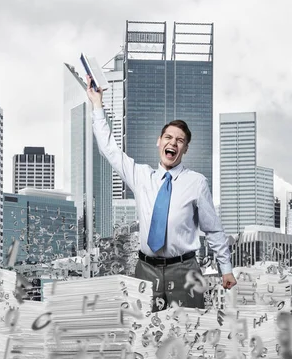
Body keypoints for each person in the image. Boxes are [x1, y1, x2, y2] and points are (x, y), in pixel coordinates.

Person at [85, 75, 237, 312]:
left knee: (189, 336)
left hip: (185, 270)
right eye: (168, 138)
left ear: (185, 149)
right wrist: (97, 104)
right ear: (159, 142)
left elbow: (213, 229)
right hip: (145, 270)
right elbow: (110, 150)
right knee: (143, 337)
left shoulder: (197, 183)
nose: (173, 143)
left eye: (180, 141)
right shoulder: (141, 176)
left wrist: (225, 268)